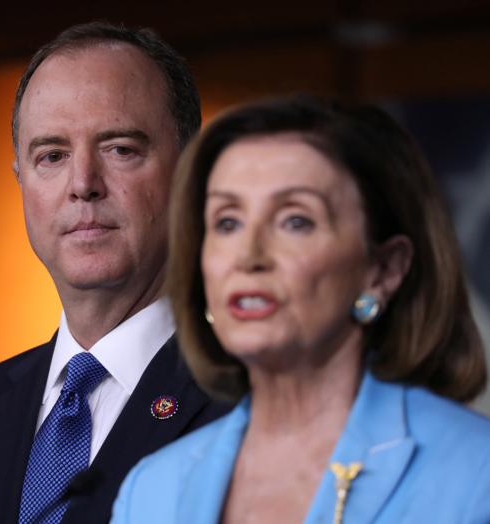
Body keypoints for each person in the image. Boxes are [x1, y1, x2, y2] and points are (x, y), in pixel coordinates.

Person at [0, 22, 231, 524]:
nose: (83, 184)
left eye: (120, 149)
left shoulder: (256, 400)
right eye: (52, 156)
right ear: (21, 182)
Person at [111, 96, 490, 523]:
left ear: (383, 270)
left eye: (295, 221)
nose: (248, 256)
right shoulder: (151, 489)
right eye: (227, 222)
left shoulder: (477, 473)